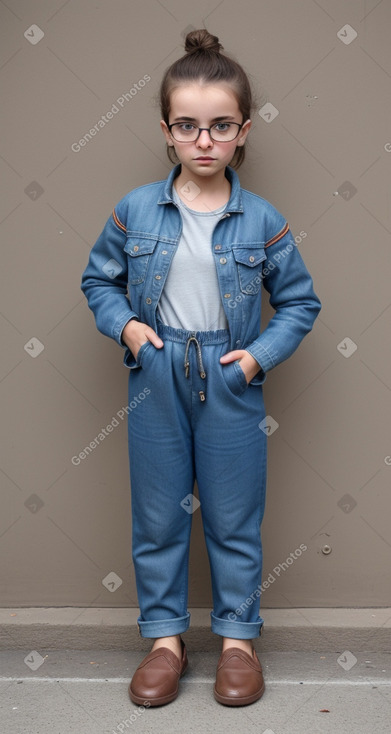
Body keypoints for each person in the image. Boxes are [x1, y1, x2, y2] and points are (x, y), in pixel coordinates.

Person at [81, 28, 321, 708]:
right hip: (156, 371)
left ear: (243, 131)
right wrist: (128, 327)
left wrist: (254, 359)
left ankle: (238, 641)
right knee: (157, 515)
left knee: (232, 513)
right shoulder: (135, 211)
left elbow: (300, 301)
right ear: (167, 130)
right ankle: (165, 639)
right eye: (188, 126)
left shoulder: (261, 219)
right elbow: (98, 283)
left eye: (220, 126)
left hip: (227, 376)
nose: (204, 140)